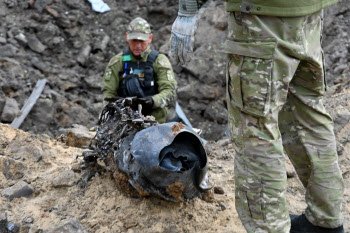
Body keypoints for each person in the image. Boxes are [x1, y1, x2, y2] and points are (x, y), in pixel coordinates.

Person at [170, 0, 345, 232]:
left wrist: (188, 8)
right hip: (309, 10)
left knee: (255, 127)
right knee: (307, 113)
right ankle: (326, 222)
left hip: (261, 14)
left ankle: (269, 228)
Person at [102, 17, 177, 123]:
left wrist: (152, 101)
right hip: (124, 120)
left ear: (150, 38)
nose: (138, 45)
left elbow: (170, 92)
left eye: (142, 41)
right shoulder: (118, 62)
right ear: (127, 37)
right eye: (134, 41)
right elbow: (108, 94)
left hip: (155, 121)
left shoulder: (159, 61)